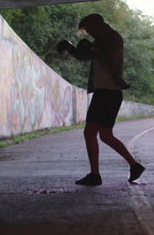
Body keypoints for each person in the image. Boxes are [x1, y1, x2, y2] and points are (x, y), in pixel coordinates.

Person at [57, 14, 145, 186]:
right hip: (105, 92)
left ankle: (95, 175)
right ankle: (134, 165)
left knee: (90, 132)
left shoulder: (112, 38)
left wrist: (91, 49)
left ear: (97, 25)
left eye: (90, 30)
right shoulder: (101, 39)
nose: (89, 34)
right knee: (105, 135)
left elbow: (108, 59)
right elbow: (86, 56)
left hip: (108, 92)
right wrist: (70, 47)